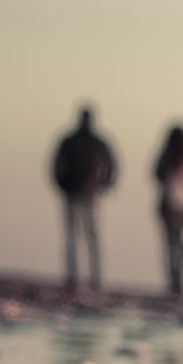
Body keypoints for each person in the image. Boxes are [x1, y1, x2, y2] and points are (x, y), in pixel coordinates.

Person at [51, 106, 117, 290]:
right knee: (85, 237)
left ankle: (86, 277)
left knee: (83, 236)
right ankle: (85, 277)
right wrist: (104, 185)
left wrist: (104, 185)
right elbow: (56, 164)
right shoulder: (89, 142)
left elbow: (112, 165)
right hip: (82, 193)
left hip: (85, 193)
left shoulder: (76, 141)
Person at [153, 125, 183, 297]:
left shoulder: (166, 159)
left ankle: (174, 283)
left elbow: (157, 176)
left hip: (170, 207)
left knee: (170, 248)